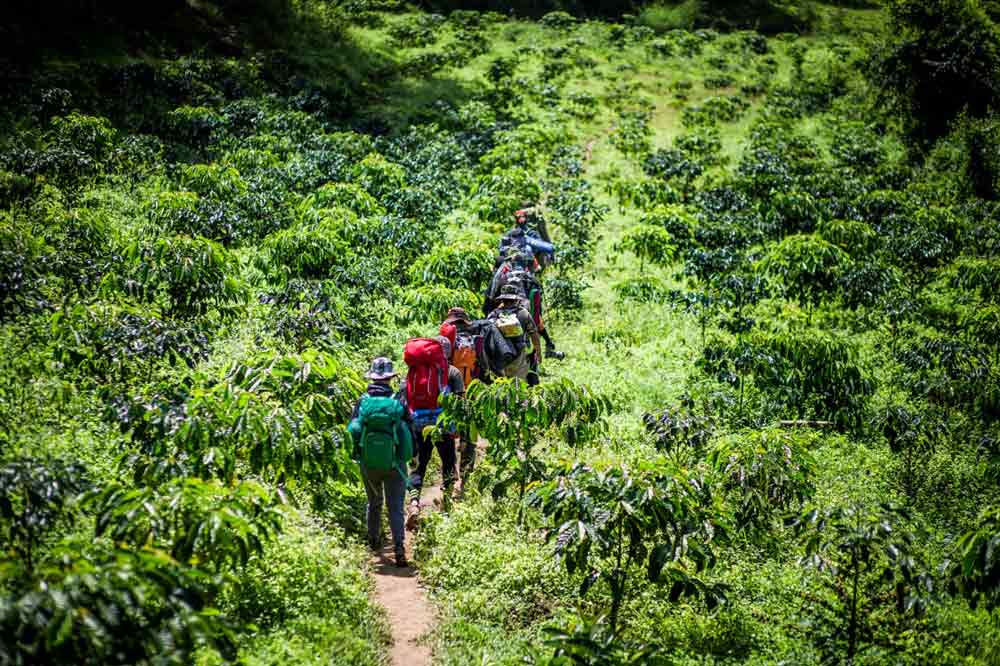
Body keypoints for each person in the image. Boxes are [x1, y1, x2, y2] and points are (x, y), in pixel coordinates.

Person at [347, 357, 413, 568]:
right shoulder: (398, 400)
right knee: (395, 507)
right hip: (395, 463)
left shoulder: (362, 401)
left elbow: (353, 430)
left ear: (372, 377)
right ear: (390, 378)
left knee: (374, 503)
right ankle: (399, 548)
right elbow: (409, 428)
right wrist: (409, 456)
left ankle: (373, 542)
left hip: (369, 463)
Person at [404, 335, 465, 527]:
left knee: (418, 465)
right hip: (442, 424)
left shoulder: (414, 370)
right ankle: (447, 502)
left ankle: (414, 503)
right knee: (448, 461)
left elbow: (405, 396)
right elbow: (459, 402)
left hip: (418, 424)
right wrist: (458, 428)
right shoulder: (452, 372)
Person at [488, 283, 542, 384]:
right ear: (516, 299)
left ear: (502, 300)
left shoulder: (494, 314)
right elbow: (533, 333)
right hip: (519, 354)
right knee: (518, 384)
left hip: (499, 355)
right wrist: (538, 352)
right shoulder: (523, 314)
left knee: (501, 384)